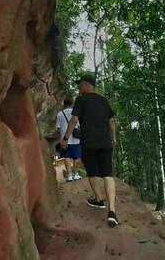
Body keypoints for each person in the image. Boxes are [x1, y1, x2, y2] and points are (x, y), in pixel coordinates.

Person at [60, 74, 119, 226]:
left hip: (89, 142)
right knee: (107, 174)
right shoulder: (103, 100)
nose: (79, 88)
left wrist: (66, 138)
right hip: (105, 141)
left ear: (87, 84)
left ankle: (99, 200)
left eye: (80, 84)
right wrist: (113, 137)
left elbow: (74, 119)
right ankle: (112, 211)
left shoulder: (81, 99)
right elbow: (111, 120)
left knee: (91, 172)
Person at [56, 98, 82, 182]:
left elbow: (59, 129)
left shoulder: (60, 114)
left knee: (66, 156)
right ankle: (76, 174)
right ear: (72, 103)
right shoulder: (76, 113)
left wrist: (61, 140)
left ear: (64, 104)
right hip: (76, 139)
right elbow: (79, 125)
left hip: (65, 139)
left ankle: (70, 175)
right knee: (77, 157)